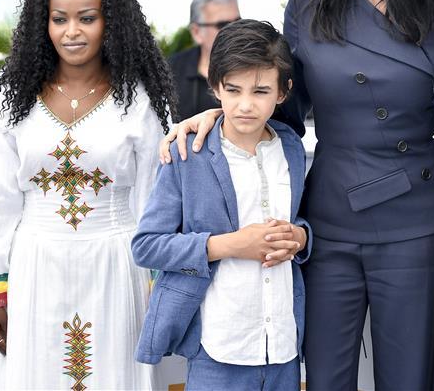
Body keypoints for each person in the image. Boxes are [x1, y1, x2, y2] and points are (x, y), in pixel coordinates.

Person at [163, 0, 434, 391]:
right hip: (329, 222)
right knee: (326, 378)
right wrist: (220, 114)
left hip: (413, 223)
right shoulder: (307, 5)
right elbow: (284, 109)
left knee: (411, 379)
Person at [0, 0, 176, 390]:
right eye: (59, 18)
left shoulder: (140, 102)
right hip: (34, 264)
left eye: (87, 17)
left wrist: (159, 283)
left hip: (118, 266)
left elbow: (154, 200)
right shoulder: (11, 96)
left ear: (111, 22)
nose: (72, 32)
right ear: (43, 23)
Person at [132, 19, 311, 390]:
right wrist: (230, 245)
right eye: (233, 90)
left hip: (282, 346)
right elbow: (147, 245)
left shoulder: (291, 147)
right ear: (215, 87)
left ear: (283, 92)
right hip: (219, 346)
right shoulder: (187, 152)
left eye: (261, 91)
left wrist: (300, 237)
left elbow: (302, 222)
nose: (245, 105)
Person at [168, 0, 241, 120]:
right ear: (196, 32)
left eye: (238, 22)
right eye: (223, 25)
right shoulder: (170, 71)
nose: (235, 30)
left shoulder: (257, 67)